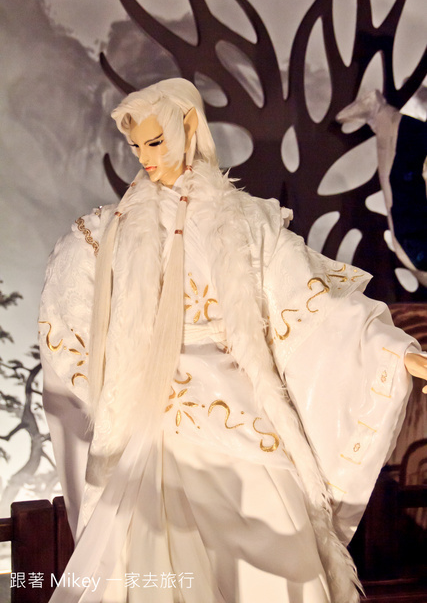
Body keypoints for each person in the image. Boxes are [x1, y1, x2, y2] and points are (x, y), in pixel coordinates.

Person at [39, 78, 427, 603]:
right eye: (136, 146)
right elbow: (70, 311)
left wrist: (396, 351)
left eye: (155, 142)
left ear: (188, 126)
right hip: (152, 419)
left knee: (274, 537)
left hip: (241, 413)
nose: (145, 158)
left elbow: (314, 303)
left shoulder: (247, 221)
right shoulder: (110, 229)